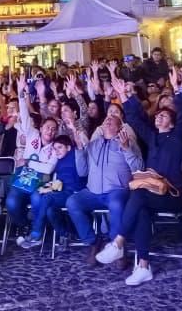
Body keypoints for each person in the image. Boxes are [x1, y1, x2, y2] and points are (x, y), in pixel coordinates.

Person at [95, 70, 182, 285]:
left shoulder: (178, 135)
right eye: (158, 115)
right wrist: (125, 97)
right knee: (140, 210)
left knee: (138, 197)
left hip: (176, 194)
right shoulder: (153, 138)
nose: (159, 117)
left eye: (164, 116)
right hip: (152, 193)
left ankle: (118, 242)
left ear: (172, 122)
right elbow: (136, 120)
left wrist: (178, 90)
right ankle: (143, 266)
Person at [66, 111, 142, 266]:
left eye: (112, 120)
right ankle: (93, 242)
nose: (108, 121)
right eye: (106, 119)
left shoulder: (128, 142)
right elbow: (82, 171)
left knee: (116, 204)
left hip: (117, 190)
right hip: (92, 191)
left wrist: (127, 149)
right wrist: (80, 149)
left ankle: (118, 246)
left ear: (120, 127)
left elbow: (139, 168)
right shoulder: (93, 144)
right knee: (72, 202)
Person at [4, 73, 58, 235]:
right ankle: (24, 225)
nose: (50, 130)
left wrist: (28, 161)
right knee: (11, 202)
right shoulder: (33, 134)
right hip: (24, 177)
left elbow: (48, 169)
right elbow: (25, 115)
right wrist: (21, 94)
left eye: (54, 129)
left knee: (37, 198)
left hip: (41, 181)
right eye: (48, 127)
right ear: (41, 128)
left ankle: (38, 228)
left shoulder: (56, 147)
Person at [17, 133, 87, 249]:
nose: (57, 151)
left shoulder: (75, 154)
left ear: (68, 147)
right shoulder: (59, 161)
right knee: (50, 210)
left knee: (47, 198)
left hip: (76, 193)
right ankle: (65, 235)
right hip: (63, 193)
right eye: (55, 149)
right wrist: (48, 187)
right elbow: (58, 182)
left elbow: (82, 153)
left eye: (60, 147)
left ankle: (36, 234)